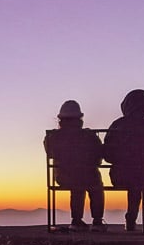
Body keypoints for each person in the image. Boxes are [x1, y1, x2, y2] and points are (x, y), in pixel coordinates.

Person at [103, 89, 144, 231]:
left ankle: (132, 217)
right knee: (140, 176)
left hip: (120, 175)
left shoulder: (118, 125)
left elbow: (107, 155)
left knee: (135, 177)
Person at [45, 99, 106, 232]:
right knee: (94, 186)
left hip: (63, 176)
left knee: (77, 184)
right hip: (89, 175)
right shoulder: (89, 136)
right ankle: (97, 221)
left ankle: (76, 221)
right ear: (80, 119)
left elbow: (50, 154)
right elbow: (99, 154)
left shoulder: (53, 136)